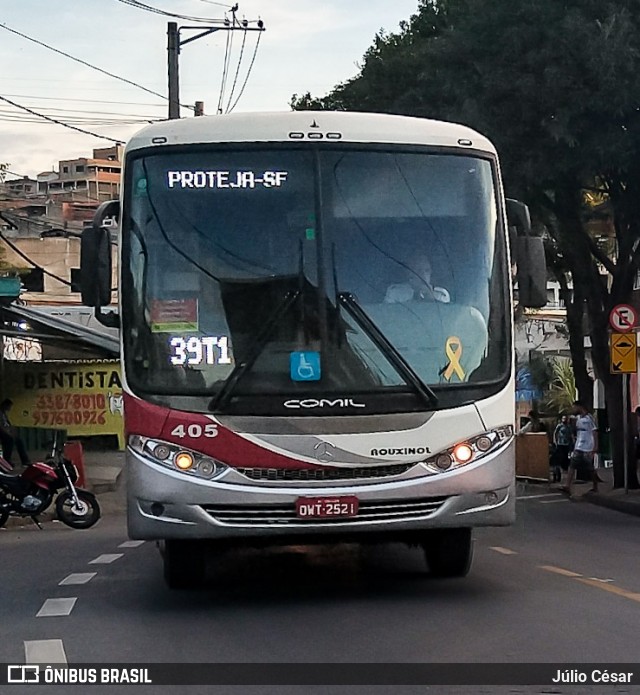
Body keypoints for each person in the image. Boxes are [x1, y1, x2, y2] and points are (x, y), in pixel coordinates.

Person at [563, 401, 598, 497]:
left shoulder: (589, 418)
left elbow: (595, 432)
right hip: (579, 446)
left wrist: (595, 447)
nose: (573, 409)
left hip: (588, 446)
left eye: (575, 407)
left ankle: (595, 485)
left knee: (590, 467)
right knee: (572, 465)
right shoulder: (577, 419)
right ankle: (567, 486)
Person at [384, 254, 451, 304]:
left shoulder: (441, 294)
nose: (423, 275)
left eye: (427, 270)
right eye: (419, 271)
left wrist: (431, 299)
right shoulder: (395, 292)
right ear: (410, 273)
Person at [0, 398, 30, 469]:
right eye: (9, 406)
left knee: (19, 440)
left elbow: (8, 425)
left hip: (6, 431)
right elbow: (1, 426)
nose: (10, 408)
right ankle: (7, 460)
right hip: (2, 431)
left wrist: (13, 432)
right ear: (5, 405)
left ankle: (25, 460)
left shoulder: (4, 414)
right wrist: (8, 433)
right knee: (9, 440)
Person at [552, 414, 573, 483]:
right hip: (560, 443)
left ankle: (564, 470)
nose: (564, 420)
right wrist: (555, 441)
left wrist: (572, 442)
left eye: (565, 418)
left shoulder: (569, 427)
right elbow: (555, 433)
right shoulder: (559, 426)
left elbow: (571, 435)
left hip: (566, 444)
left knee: (566, 457)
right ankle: (558, 474)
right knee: (559, 457)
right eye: (563, 418)